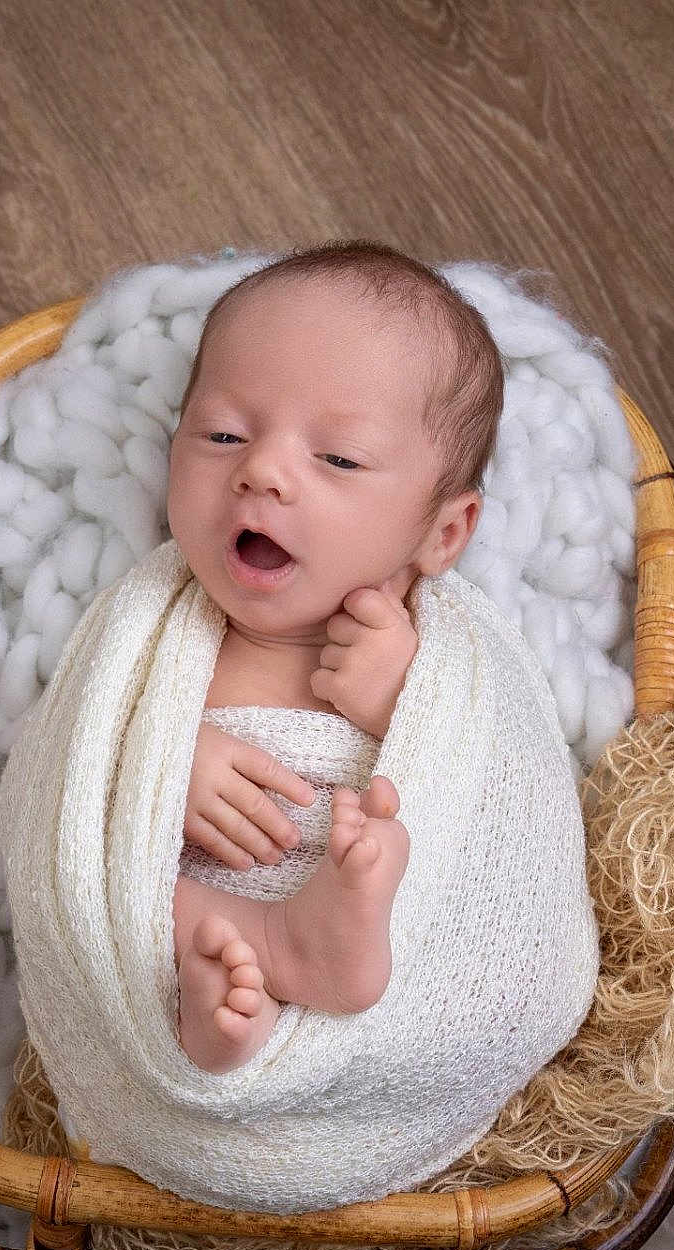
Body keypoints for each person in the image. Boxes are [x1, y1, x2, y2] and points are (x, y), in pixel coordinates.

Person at [161, 240, 503, 1073]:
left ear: (443, 532)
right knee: (107, 894)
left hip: (386, 965)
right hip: (198, 934)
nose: (263, 470)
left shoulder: (440, 663)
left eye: (339, 458)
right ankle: (212, 1028)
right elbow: (62, 773)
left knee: (381, 855)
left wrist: (406, 710)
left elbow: (499, 793)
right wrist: (161, 766)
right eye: (223, 432)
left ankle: (268, 989)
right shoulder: (149, 635)